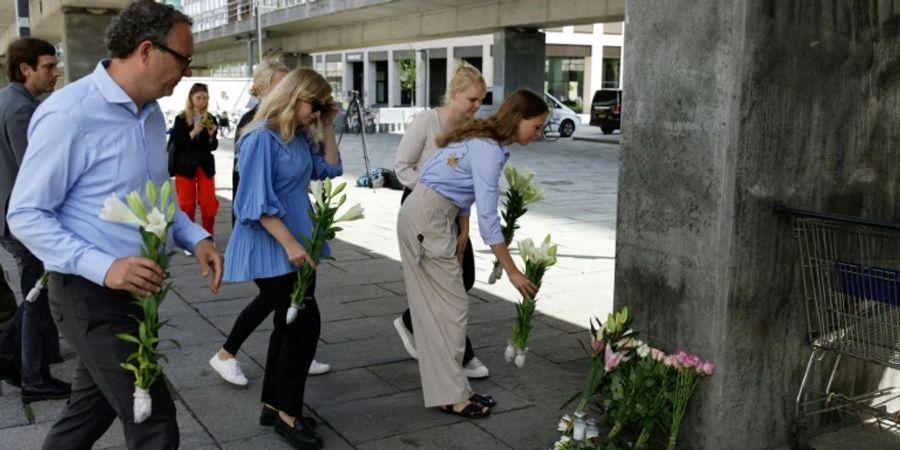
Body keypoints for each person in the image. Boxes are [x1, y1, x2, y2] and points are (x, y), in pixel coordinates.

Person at [6, 2, 223, 448]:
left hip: (133, 295)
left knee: (90, 408)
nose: (187, 71)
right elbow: (25, 214)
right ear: (146, 50)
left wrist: (195, 237)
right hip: (89, 294)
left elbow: (155, 202)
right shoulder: (72, 113)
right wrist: (106, 266)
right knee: (154, 419)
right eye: (183, 58)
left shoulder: (148, 114)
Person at [397, 89, 547, 418]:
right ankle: (452, 395)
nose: (538, 134)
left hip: (430, 215)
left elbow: (454, 179)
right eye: (536, 126)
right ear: (519, 119)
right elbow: (489, 219)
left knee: (445, 310)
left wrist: (462, 230)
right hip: (428, 218)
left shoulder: (485, 140)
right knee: (449, 310)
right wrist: (512, 270)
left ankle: (455, 390)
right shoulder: (488, 148)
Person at [220, 68, 341, 449]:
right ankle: (288, 412)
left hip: (296, 237)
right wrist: (291, 245)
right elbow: (252, 204)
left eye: (324, 105)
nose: (318, 111)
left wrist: (329, 125)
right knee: (304, 326)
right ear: (293, 96)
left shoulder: (300, 135)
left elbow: (331, 169)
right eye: (315, 103)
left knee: (290, 327)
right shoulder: (259, 137)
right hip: (272, 240)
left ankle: (275, 406)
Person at [392, 62, 490, 379]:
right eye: (472, 99)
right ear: (454, 93)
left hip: (454, 212)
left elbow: (469, 181)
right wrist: (432, 191)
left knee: (465, 276)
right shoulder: (426, 122)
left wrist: (465, 227)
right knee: (443, 281)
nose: (477, 106)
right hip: (422, 209)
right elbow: (402, 167)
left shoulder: (471, 131)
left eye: (481, 100)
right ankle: (461, 353)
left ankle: (410, 320)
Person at [0, 36, 68, 402]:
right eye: (48, 66)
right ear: (25, 69)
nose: (56, 72)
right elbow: (35, 171)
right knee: (36, 294)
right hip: (22, 217)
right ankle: (33, 377)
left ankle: (26, 360)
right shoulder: (20, 108)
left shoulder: (9, 99)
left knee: (37, 290)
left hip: (9, 212)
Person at [169, 82, 219, 238]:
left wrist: (211, 135)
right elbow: (178, 143)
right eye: (199, 98)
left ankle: (207, 234)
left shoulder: (210, 119)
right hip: (185, 165)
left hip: (205, 165)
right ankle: (189, 237)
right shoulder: (181, 118)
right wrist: (193, 132)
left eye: (205, 98)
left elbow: (213, 146)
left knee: (209, 205)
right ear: (191, 98)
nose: (202, 101)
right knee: (186, 204)